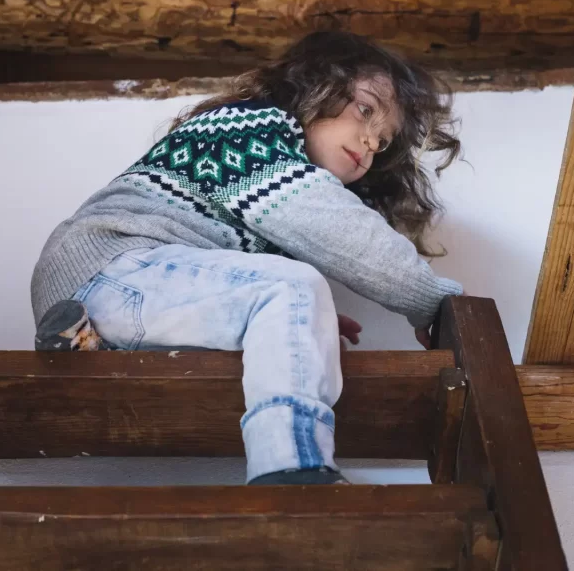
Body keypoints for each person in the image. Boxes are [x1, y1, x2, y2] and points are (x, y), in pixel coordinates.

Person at [30, 31, 463, 485]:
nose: (371, 142)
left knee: (290, 308)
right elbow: (342, 232)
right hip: (116, 265)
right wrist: (430, 300)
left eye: (384, 141)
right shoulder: (250, 128)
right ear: (315, 84)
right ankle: (293, 470)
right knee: (290, 286)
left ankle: (88, 343)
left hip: (115, 299)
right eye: (366, 110)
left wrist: (305, 322)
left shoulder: (259, 194)